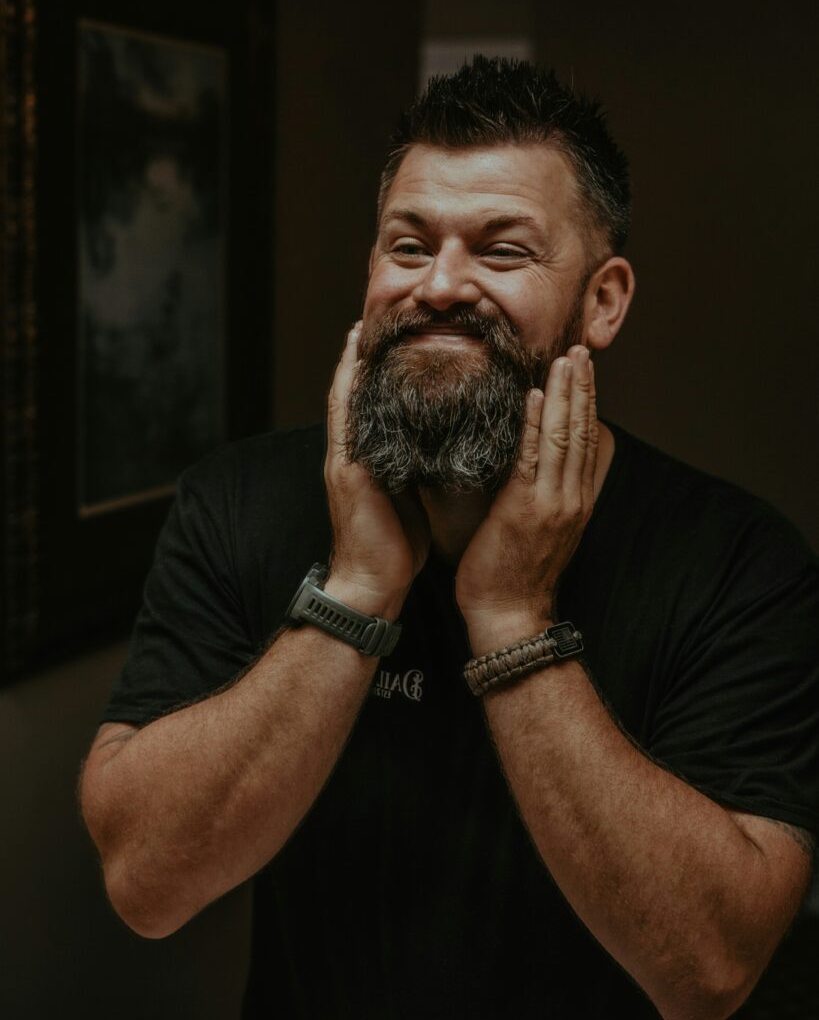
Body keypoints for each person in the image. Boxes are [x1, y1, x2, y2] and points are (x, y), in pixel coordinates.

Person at [80, 57, 818, 1019]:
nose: (439, 285)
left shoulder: (738, 563)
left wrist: (510, 617)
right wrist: (352, 593)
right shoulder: (237, 501)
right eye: (407, 244)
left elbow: (709, 971)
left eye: (502, 251)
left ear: (602, 301)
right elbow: (146, 884)